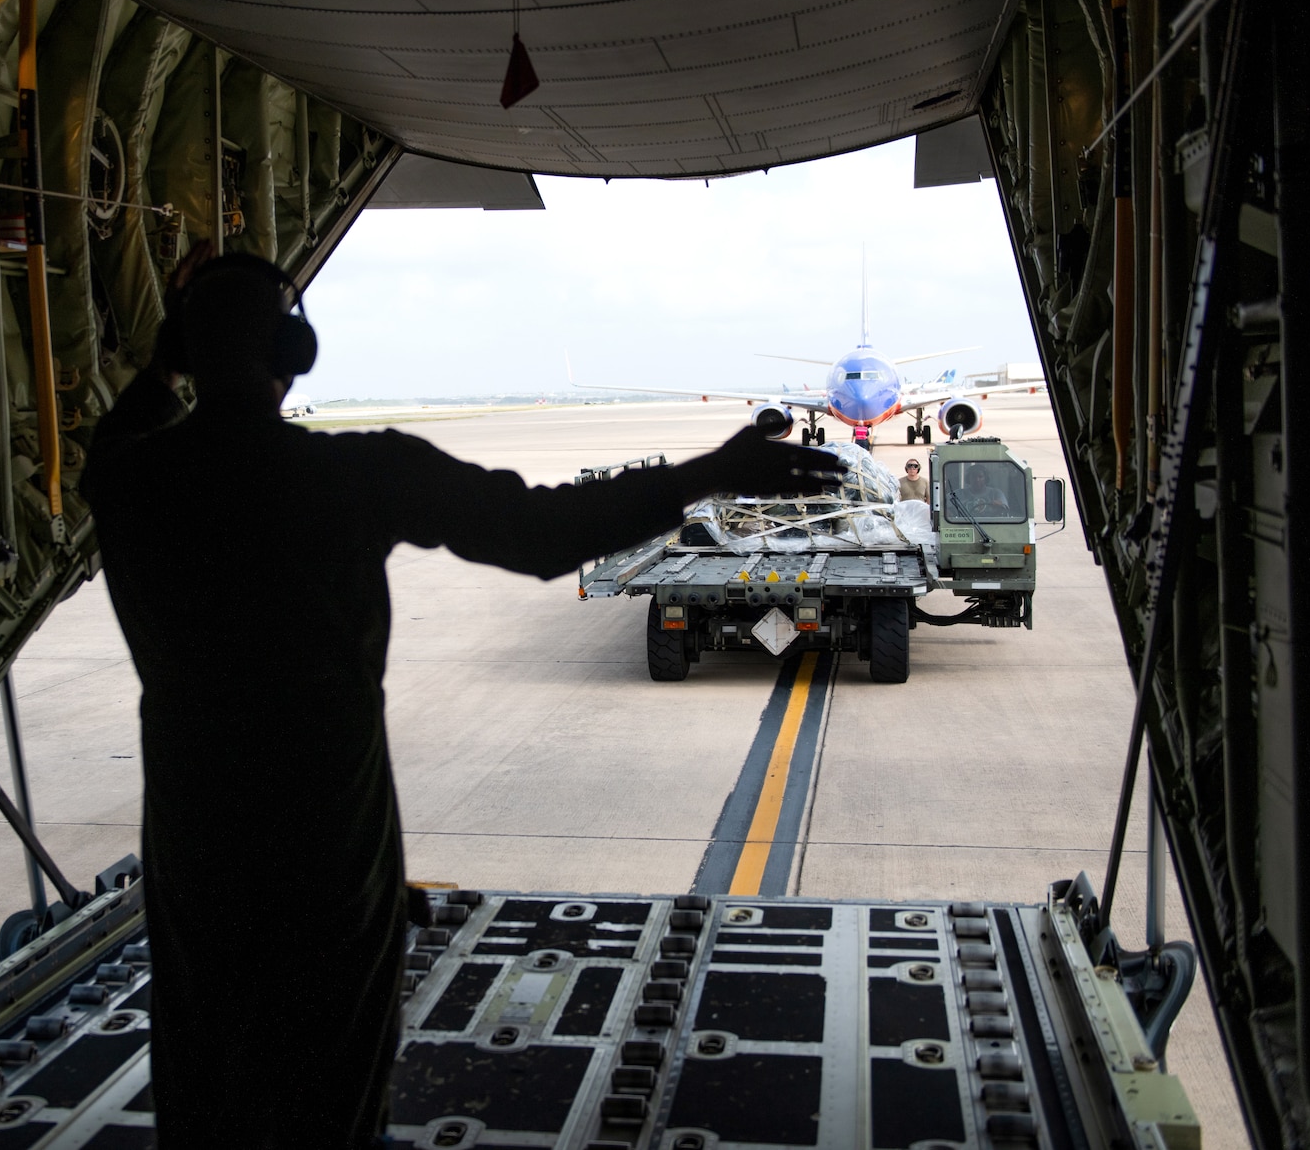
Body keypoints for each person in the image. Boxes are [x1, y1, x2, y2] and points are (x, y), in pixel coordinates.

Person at [80, 253, 844, 1148]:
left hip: (195, 841)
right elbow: (543, 533)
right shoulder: (355, 474)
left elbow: (130, 422)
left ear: (184, 350)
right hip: (331, 845)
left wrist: (172, 357)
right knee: (331, 1096)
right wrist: (709, 470)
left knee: (206, 1086)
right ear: (294, 352)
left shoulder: (129, 478)